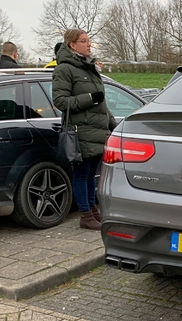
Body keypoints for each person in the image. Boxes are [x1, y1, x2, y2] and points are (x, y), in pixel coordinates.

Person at [52, 29, 117, 230]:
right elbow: (60, 101)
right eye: (84, 41)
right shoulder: (64, 69)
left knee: (90, 175)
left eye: (89, 41)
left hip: (97, 132)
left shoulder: (89, 68)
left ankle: (93, 210)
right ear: (72, 45)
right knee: (81, 174)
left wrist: (114, 126)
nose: (89, 44)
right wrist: (88, 99)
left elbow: (101, 105)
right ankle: (85, 215)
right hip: (81, 132)